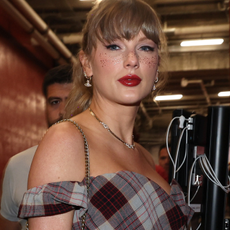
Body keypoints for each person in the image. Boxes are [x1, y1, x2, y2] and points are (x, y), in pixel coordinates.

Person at [19, 0, 194, 229]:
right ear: (87, 64)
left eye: (145, 48)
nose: (132, 60)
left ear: (157, 67)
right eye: (114, 46)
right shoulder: (66, 140)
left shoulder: (144, 157)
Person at [0, 64, 73, 230]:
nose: (62, 111)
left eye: (71, 101)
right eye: (55, 102)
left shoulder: (108, 161)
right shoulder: (18, 166)